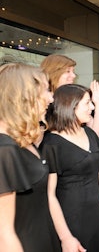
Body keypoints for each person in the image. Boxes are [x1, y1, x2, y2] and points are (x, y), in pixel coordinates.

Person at [41, 84, 99, 252]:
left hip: (97, 213)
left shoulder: (90, 134)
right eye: (88, 103)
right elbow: (49, 195)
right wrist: (64, 236)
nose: (92, 107)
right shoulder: (51, 144)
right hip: (72, 217)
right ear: (71, 106)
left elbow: (94, 171)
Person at [0, 63, 60, 252]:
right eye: (45, 91)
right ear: (24, 97)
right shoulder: (5, 149)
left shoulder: (21, 141)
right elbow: (4, 235)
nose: (51, 98)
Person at [41, 54, 99, 137]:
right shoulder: (41, 102)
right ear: (54, 72)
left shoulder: (72, 97)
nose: (74, 75)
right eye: (68, 71)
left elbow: (95, 136)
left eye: (73, 71)